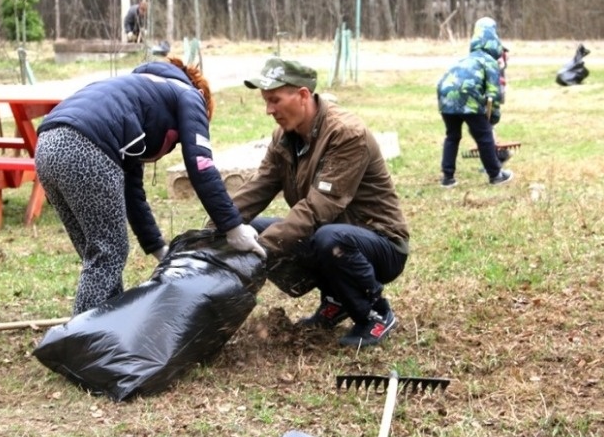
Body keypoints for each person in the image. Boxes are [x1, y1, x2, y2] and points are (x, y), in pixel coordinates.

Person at [35, 57, 266, 315]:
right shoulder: (190, 96)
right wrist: (233, 227)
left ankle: (107, 328)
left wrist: (159, 248)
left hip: (47, 144)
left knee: (98, 255)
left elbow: (131, 189)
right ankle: (81, 342)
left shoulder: (140, 95)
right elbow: (201, 166)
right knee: (108, 252)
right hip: (85, 147)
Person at [231, 58, 410, 348]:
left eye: (275, 100)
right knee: (250, 228)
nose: (269, 110)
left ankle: (375, 313)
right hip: (331, 233)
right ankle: (336, 299)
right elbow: (259, 186)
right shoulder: (284, 137)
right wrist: (222, 226)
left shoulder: (346, 134)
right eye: (266, 101)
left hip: (379, 242)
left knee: (326, 237)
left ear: (302, 95)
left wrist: (261, 250)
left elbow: (318, 209)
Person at [437, 16, 513, 187]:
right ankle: (496, 175)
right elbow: (493, 94)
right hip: (468, 97)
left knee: (452, 136)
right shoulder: (490, 62)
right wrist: (492, 120)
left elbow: (444, 81)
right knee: (484, 136)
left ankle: (447, 178)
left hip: (445, 97)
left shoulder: (466, 59)